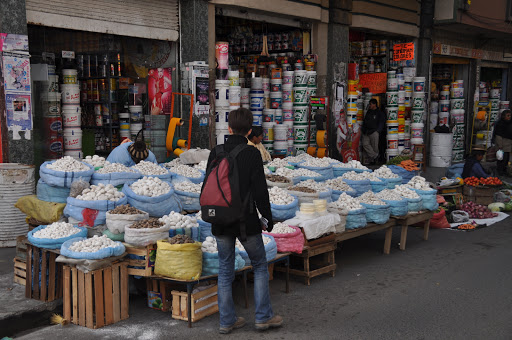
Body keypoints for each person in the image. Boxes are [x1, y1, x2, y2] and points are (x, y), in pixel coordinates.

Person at [204, 108, 282, 334]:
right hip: (245, 220)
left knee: (225, 268)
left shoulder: (215, 152)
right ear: (249, 131)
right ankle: (263, 317)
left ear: (228, 128)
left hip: (219, 219)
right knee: (259, 265)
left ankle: (226, 321)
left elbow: (208, 185)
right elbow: (260, 192)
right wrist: (268, 217)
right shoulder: (251, 153)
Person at [362, 98, 385, 165]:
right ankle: (375, 156)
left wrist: (377, 131)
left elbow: (381, 122)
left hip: (374, 132)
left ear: (374, 104)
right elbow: (365, 121)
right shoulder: (369, 112)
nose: (369, 105)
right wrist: (363, 129)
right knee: (365, 144)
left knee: (375, 147)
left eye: (371, 104)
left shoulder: (379, 113)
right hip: (366, 131)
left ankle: (373, 161)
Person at [493, 109, 512, 175]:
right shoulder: (500, 124)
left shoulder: (510, 123)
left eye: (510, 115)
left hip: (508, 144)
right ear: (503, 116)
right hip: (502, 144)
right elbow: (498, 135)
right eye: (508, 115)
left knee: (506, 159)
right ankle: (500, 171)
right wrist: (500, 145)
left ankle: (504, 170)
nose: (509, 117)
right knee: (501, 159)